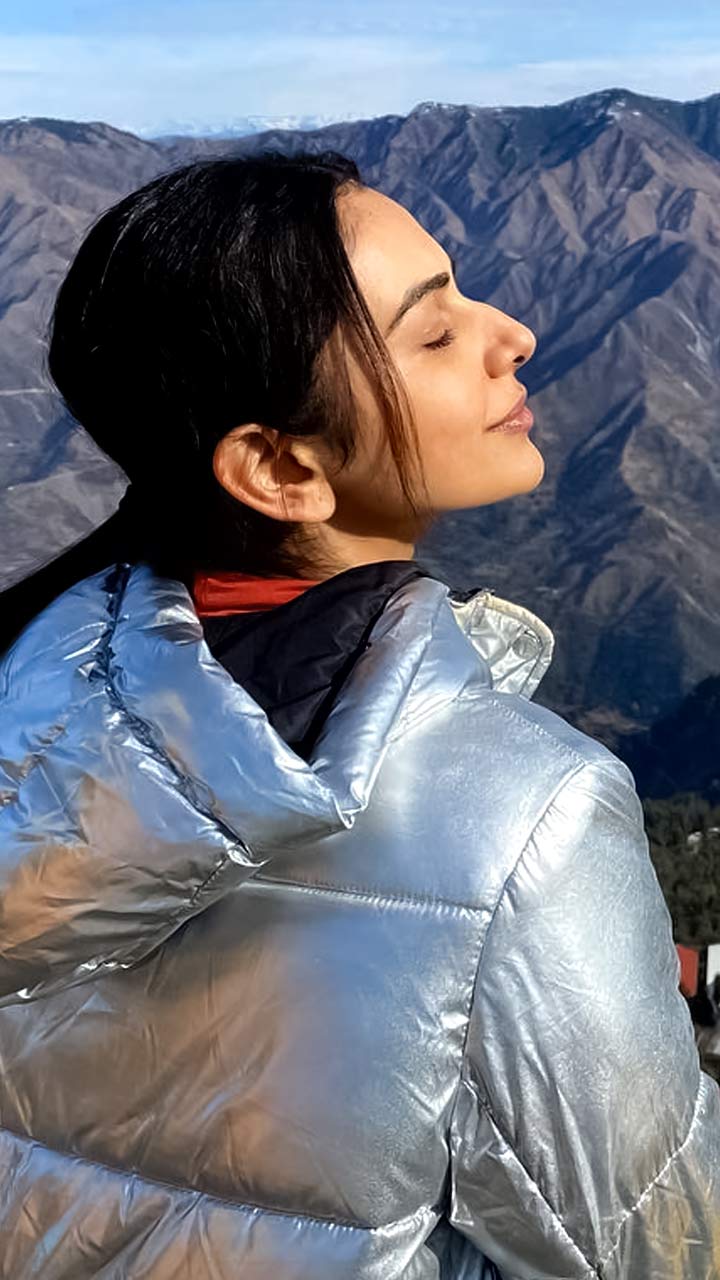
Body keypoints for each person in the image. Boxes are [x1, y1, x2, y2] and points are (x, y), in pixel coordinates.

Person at [0, 151, 717, 1280]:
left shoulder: (32, 694)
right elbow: (664, 1243)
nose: (515, 333)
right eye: (434, 334)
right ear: (280, 468)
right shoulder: (526, 818)